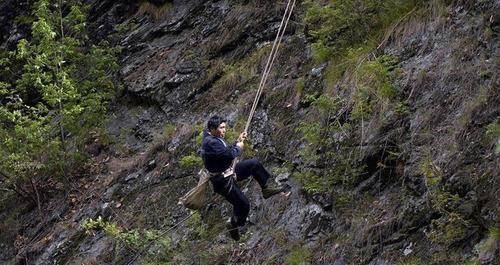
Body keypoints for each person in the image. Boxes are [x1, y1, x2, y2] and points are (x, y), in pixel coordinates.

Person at [200, 115, 286, 240]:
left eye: (224, 127)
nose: (224, 130)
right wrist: (238, 147)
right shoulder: (210, 142)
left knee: (254, 164)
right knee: (244, 205)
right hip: (222, 181)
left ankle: (265, 188)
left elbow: (224, 151)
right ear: (212, 129)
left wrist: (237, 141)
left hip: (228, 171)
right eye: (221, 128)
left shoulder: (214, 137)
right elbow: (229, 154)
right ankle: (234, 223)